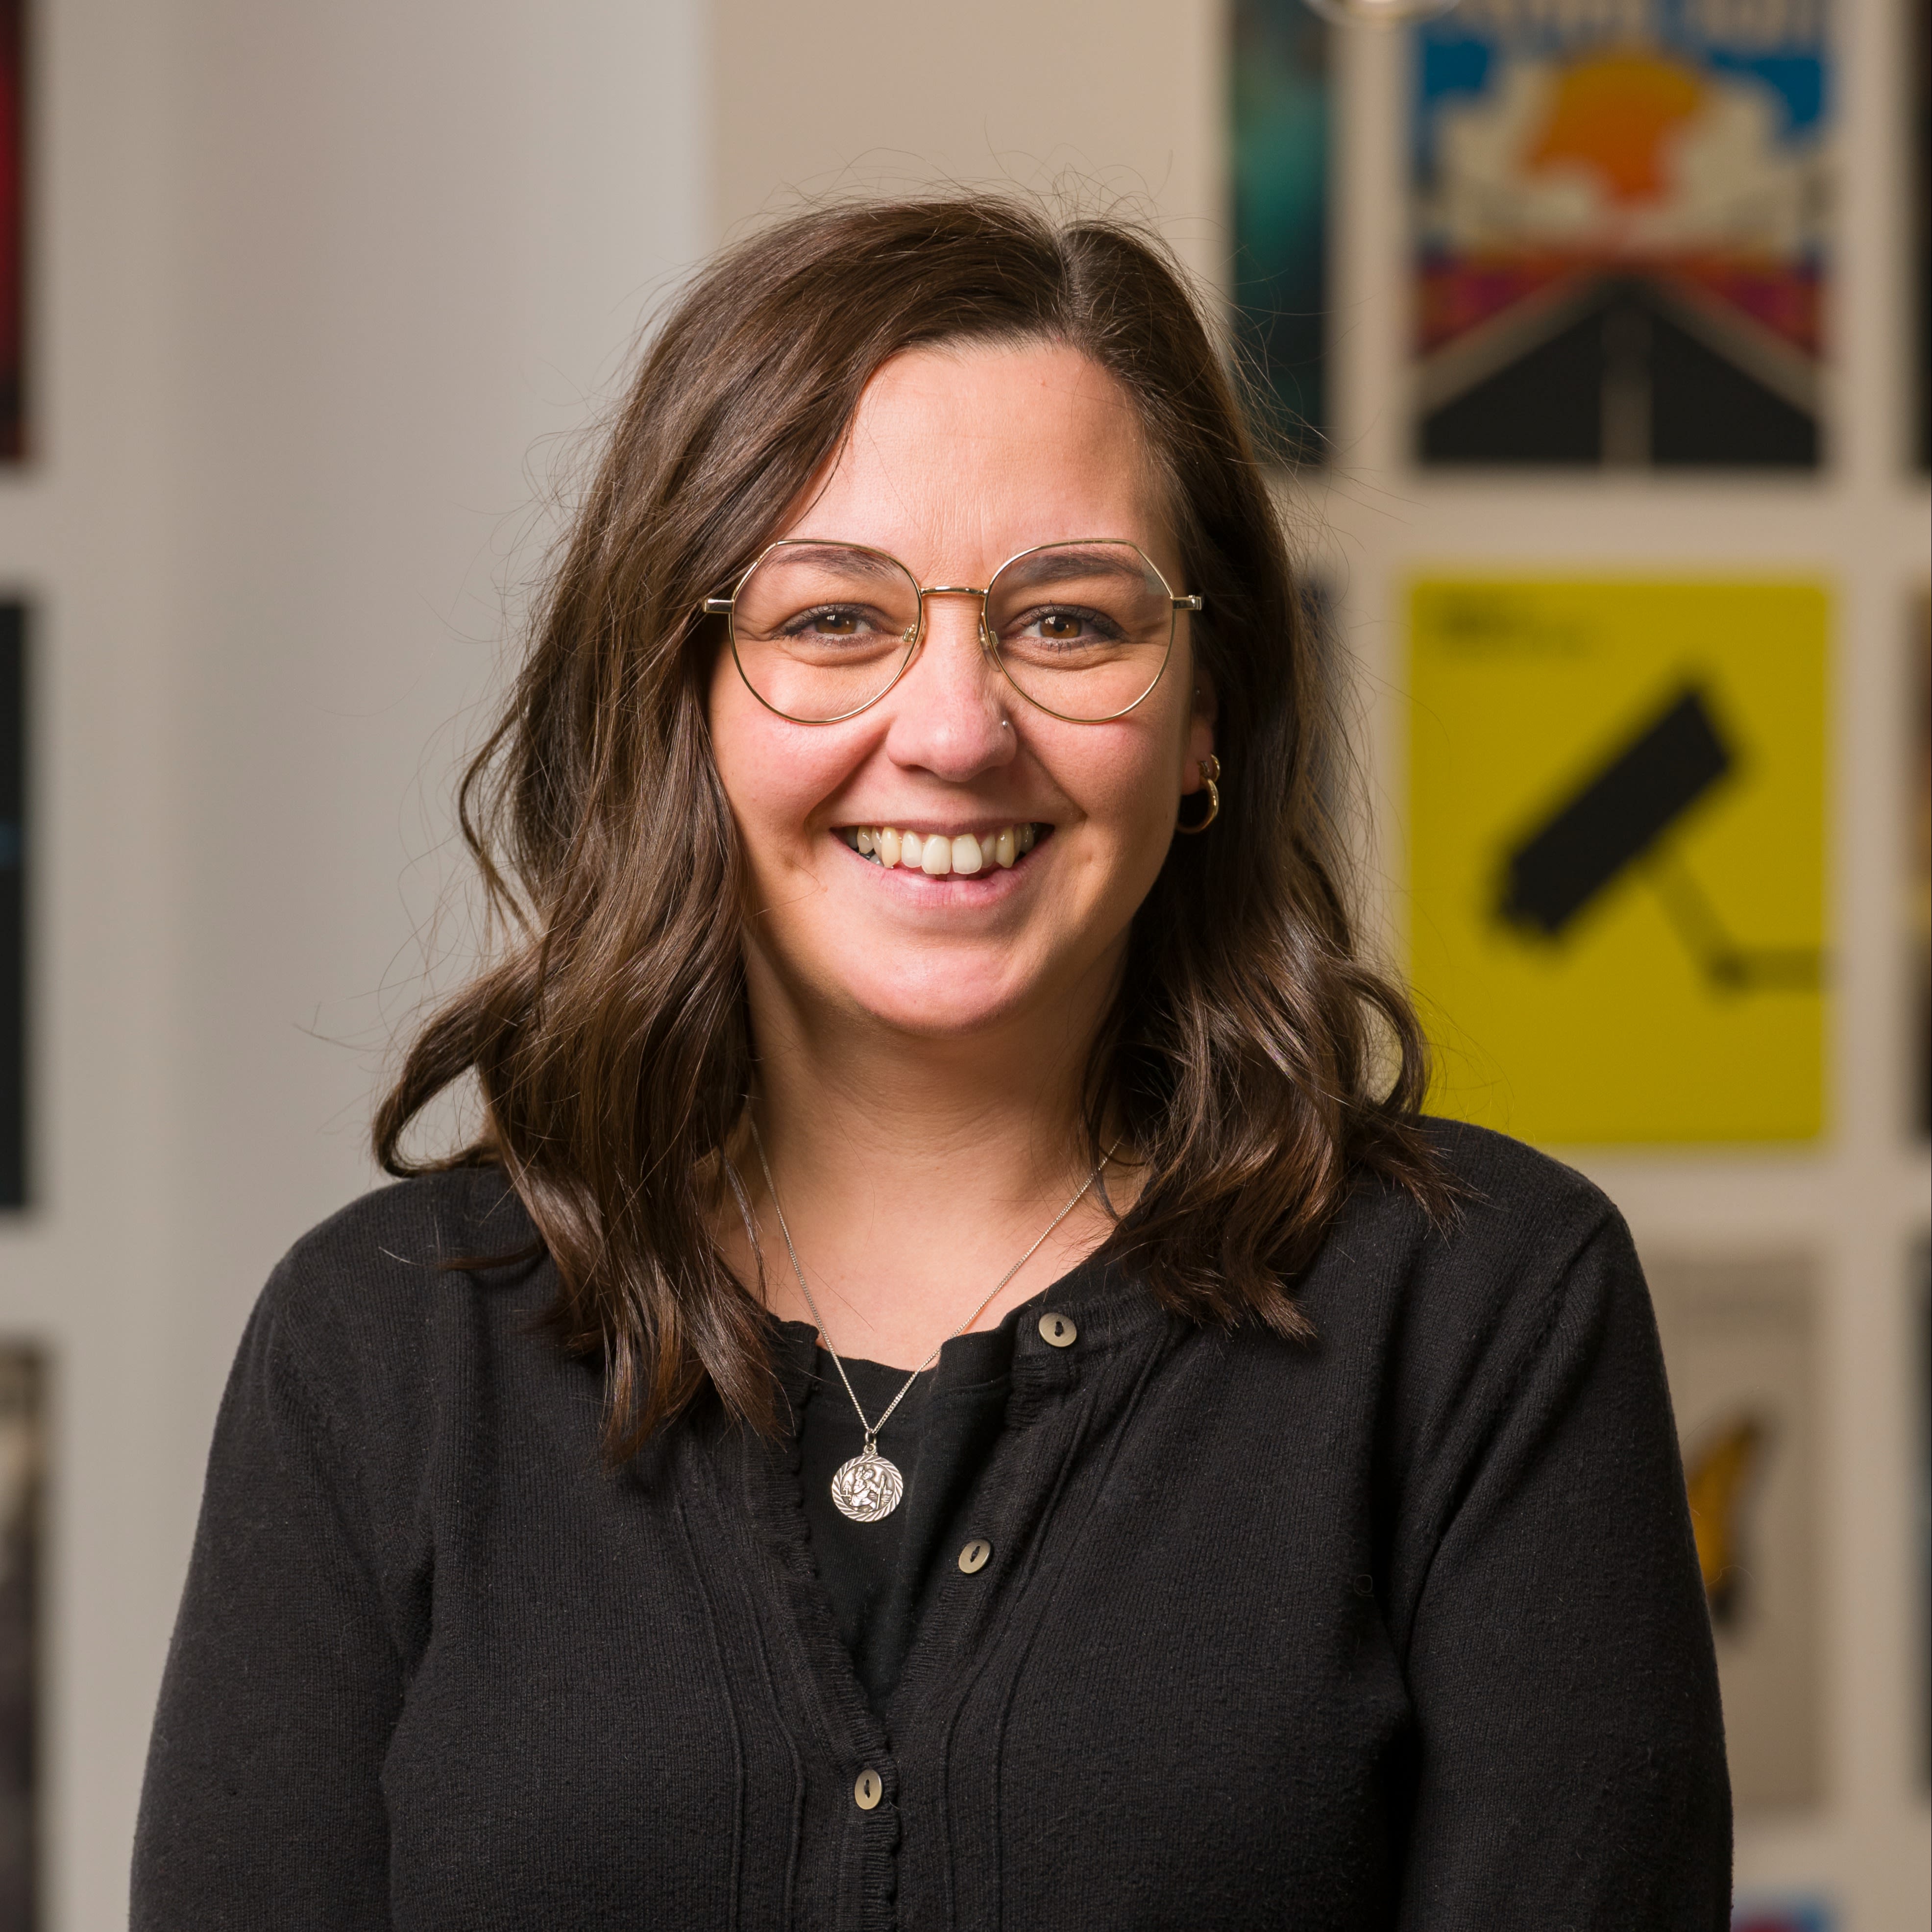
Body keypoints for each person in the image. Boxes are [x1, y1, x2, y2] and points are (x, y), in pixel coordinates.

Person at [131, 196, 1730, 1929]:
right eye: (832, 621)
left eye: (1070, 622)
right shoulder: (376, 1345)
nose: (956, 731)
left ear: (1205, 713)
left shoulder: (1485, 1314)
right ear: (683, 699)